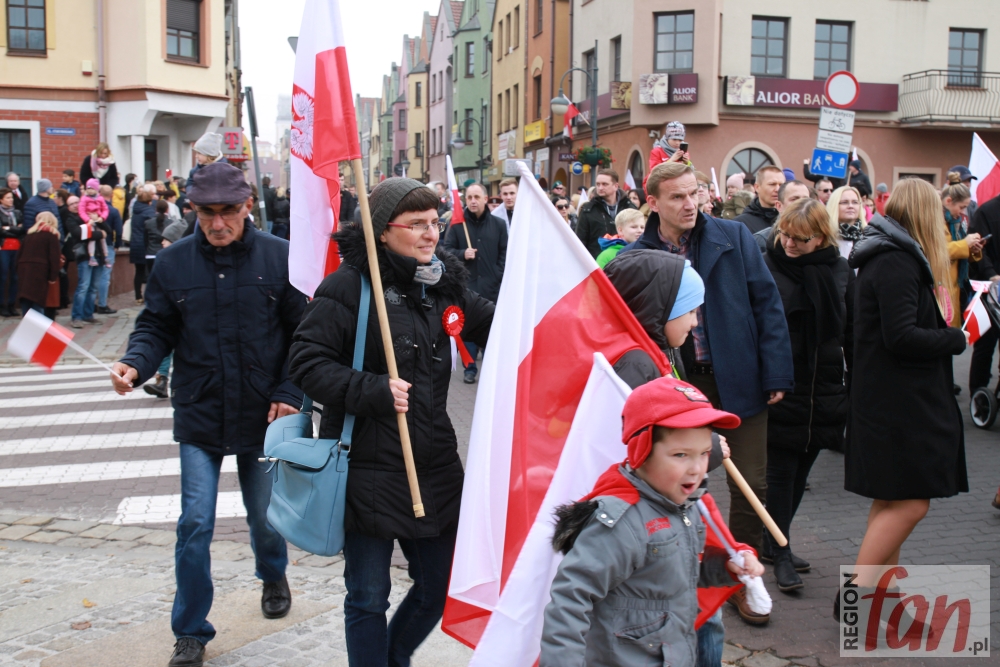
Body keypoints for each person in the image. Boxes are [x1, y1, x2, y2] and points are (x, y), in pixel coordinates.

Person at [287, 178, 494, 667]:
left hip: (433, 464)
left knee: (438, 585)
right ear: (382, 232)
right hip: (366, 466)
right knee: (367, 596)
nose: (430, 234)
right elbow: (305, 362)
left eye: (434, 223)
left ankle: (393, 659)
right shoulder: (349, 286)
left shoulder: (443, 283)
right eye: (416, 224)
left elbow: (503, 324)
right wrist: (373, 390)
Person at [111, 162, 305, 667]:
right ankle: (191, 630)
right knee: (195, 521)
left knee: (265, 518)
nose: (218, 224)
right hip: (200, 410)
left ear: (247, 209)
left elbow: (305, 335)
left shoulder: (280, 258)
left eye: (228, 212)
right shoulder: (174, 262)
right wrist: (134, 363)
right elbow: (155, 326)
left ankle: (273, 572)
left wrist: (290, 389)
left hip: (264, 414)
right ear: (192, 210)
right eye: (206, 213)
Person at [621, 160, 793, 625]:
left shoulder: (733, 237)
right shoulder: (638, 254)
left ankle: (741, 576)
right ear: (651, 203)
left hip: (740, 377)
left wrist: (776, 371)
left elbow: (767, 303)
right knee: (691, 483)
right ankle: (697, 571)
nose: (691, 204)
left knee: (752, 481)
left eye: (694, 193)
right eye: (677, 196)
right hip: (681, 385)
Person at [540, 375, 763, 667]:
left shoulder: (687, 505)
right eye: (681, 455)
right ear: (642, 451)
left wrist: (726, 567)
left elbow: (683, 571)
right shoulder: (620, 523)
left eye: (704, 453)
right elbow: (570, 600)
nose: (696, 468)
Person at [839, 178, 968, 620]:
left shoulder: (885, 256)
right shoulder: (897, 261)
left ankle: (884, 608)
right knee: (912, 502)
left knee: (892, 501)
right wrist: (954, 338)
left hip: (888, 399)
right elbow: (901, 336)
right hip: (898, 404)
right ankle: (856, 594)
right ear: (923, 213)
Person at [759, 199, 853, 593]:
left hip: (825, 385)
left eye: (800, 239)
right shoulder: (767, 264)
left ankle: (774, 541)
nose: (790, 244)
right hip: (784, 384)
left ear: (821, 237)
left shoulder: (840, 269)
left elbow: (849, 329)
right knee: (781, 474)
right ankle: (780, 552)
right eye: (785, 234)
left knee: (801, 474)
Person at [443, 182, 507, 384]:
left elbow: (505, 253)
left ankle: (491, 369)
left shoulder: (498, 224)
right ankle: (469, 368)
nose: (472, 201)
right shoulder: (457, 225)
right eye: (469, 197)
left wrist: (497, 274)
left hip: (491, 287)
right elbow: (445, 251)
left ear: (485, 199)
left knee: (491, 328)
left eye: (477, 197)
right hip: (467, 287)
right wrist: (463, 254)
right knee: (467, 329)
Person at [941, 173, 984, 326]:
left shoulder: (956, 222)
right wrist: (965, 244)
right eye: (961, 207)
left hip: (954, 287)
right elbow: (939, 252)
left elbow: (960, 252)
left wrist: (973, 249)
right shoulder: (936, 221)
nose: (963, 212)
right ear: (948, 201)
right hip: (941, 287)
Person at [968, 192, 1000, 393]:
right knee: (985, 345)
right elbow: (978, 250)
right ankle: (978, 393)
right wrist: (992, 275)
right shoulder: (986, 211)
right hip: (989, 289)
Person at [65, 192, 110, 328]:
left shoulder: (93, 213)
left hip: (99, 255)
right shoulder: (71, 219)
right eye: (71, 204)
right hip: (84, 256)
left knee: (93, 287)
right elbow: (80, 234)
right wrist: (99, 233)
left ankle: (88, 314)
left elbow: (107, 230)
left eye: (76, 202)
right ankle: (76, 317)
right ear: (68, 207)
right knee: (83, 287)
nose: (74, 205)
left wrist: (98, 220)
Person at [576, 169, 638, 258]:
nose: (600, 188)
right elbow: (580, 241)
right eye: (598, 184)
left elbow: (638, 237)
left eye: (604, 184)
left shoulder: (630, 208)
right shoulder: (588, 209)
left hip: (625, 260)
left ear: (616, 186)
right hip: (597, 262)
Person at [16, 211, 60, 317]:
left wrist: (17, 269)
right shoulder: (51, 236)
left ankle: (27, 326)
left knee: (26, 299)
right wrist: (53, 277)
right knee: (38, 301)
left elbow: (19, 254)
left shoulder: (29, 235)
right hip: (40, 271)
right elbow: (54, 258)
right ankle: (38, 329)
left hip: (24, 270)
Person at [752, 180, 812, 251]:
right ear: (779, 206)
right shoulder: (761, 241)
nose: (801, 204)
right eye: (794, 199)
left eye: (805, 200)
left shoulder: (818, 237)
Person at [96, 185, 122, 315]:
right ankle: (102, 304)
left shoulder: (94, 210)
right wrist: (117, 244)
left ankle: (93, 303)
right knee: (105, 276)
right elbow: (118, 229)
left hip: (93, 245)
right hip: (107, 244)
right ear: (112, 195)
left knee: (93, 275)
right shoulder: (113, 211)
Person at [736, 165, 785, 234]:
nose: (777, 189)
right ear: (757, 187)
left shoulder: (791, 220)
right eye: (772, 184)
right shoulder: (741, 224)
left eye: (781, 185)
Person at [130, 184, 156, 304]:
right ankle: (149, 296)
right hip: (147, 244)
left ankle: (137, 296)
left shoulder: (135, 210)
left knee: (139, 272)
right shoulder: (149, 212)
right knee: (151, 272)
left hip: (135, 243)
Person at [0, 188, 25, 316]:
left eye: (11, 197)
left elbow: (22, 229)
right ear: (1, 200)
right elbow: (1, 231)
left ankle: (11, 304)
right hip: (3, 248)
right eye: (8, 198)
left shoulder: (17, 212)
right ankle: (2, 305)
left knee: (15, 277)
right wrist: (14, 230)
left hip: (17, 247)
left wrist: (9, 228)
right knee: (3, 277)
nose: (11, 200)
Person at [78, 178, 112, 268]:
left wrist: (102, 217)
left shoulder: (100, 198)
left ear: (96, 189)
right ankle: (91, 257)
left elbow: (105, 209)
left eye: (92, 188)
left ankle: (106, 256)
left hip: (98, 220)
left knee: (102, 238)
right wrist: (87, 219)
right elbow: (81, 211)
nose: (90, 190)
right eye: (88, 188)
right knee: (92, 237)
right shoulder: (84, 199)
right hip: (90, 221)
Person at [826, 185, 865, 262]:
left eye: (855, 202)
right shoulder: (825, 237)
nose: (850, 206)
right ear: (834, 205)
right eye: (844, 202)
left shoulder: (868, 236)